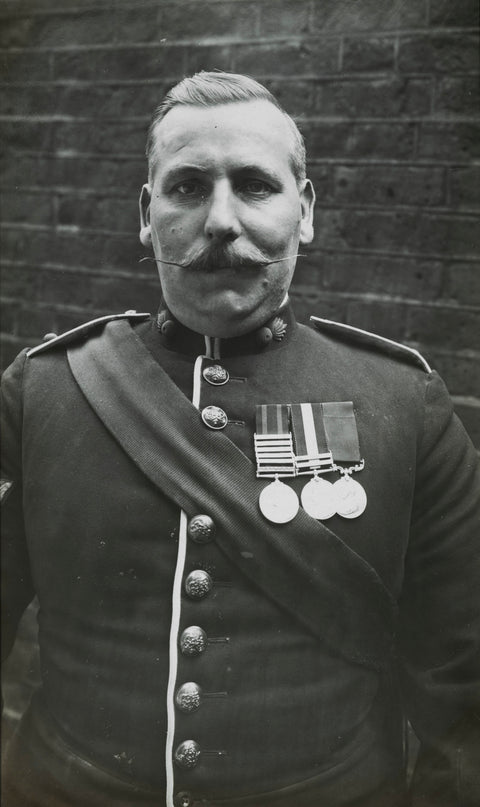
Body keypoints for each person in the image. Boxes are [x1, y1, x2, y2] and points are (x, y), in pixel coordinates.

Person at [1, 71, 479, 807]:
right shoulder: (39, 395)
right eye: (187, 188)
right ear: (145, 212)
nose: (220, 220)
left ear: (306, 210)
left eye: (255, 185)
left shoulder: (404, 403)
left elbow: (466, 701)